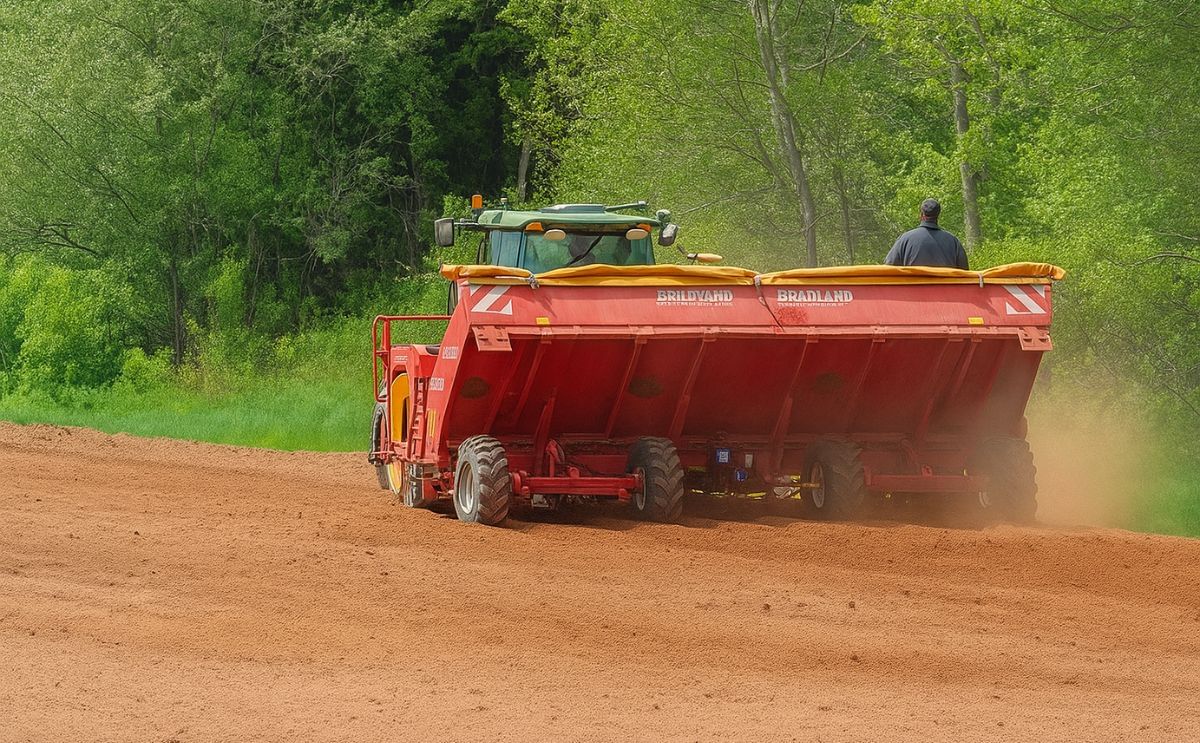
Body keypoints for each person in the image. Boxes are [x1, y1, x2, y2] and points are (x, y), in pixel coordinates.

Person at [884, 198, 969, 269]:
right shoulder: (953, 242)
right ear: (938, 215)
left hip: (913, 288)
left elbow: (889, 267)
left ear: (921, 215)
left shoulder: (905, 239)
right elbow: (964, 272)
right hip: (945, 289)